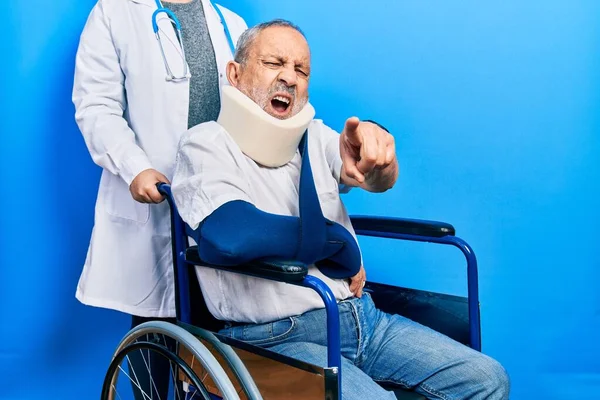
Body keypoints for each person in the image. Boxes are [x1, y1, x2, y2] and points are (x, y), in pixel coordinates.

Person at [171, 19, 510, 399]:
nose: (289, 78)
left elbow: (370, 175)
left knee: (487, 378)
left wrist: (377, 156)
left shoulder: (315, 136)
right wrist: (339, 243)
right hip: (276, 336)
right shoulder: (205, 145)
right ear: (235, 73)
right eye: (274, 63)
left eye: (301, 70)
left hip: (363, 317)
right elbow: (232, 236)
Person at [71, 0, 247, 398]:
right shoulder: (114, 12)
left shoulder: (231, 24)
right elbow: (96, 106)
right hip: (157, 203)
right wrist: (135, 167)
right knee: (155, 344)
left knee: (220, 358)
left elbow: (255, 109)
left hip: (220, 207)